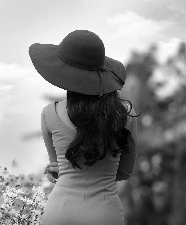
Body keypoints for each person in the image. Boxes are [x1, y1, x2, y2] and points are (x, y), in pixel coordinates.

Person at [29, 30, 138, 225]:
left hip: (60, 213)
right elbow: (124, 172)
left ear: (62, 72)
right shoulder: (126, 116)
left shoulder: (49, 114)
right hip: (105, 214)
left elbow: (62, 168)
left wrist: (63, 170)